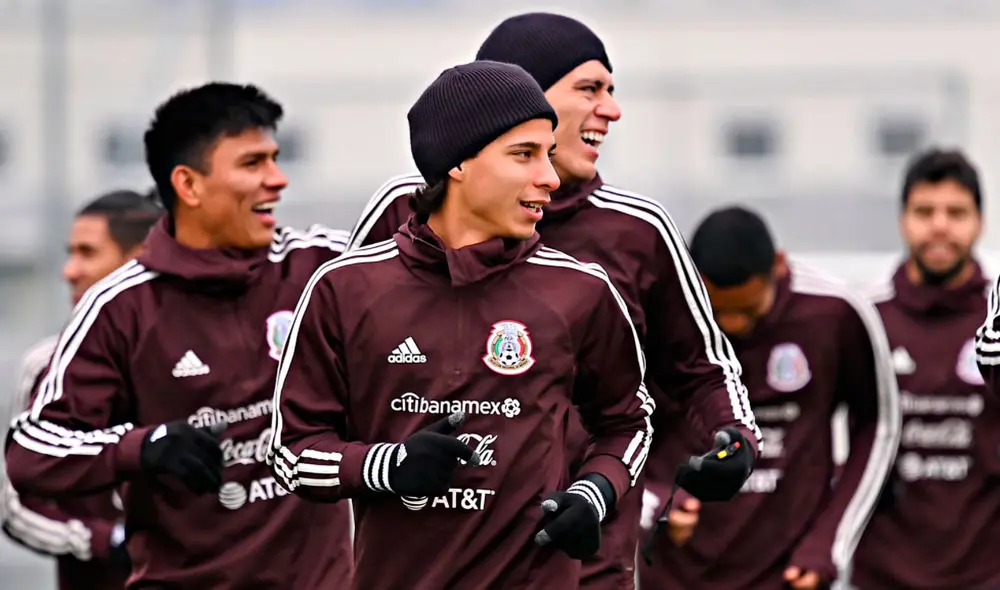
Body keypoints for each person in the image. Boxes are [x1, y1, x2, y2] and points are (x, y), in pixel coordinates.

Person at [344, 13, 760, 588]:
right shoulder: (404, 211)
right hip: (423, 563)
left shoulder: (637, 230)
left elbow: (704, 369)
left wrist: (735, 437)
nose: (611, 110)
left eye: (612, 91)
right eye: (590, 88)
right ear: (524, 97)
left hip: (582, 561)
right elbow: (322, 373)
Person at [268, 60, 654, 590]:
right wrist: (386, 465)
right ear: (458, 163)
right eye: (524, 154)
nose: (549, 176)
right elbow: (290, 452)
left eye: (549, 154)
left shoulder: (581, 290)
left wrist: (595, 491)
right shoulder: (346, 289)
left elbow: (629, 421)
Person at [4, 82, 354, 588]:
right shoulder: (120, 307)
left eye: (275, 159)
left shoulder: (321, 268)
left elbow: (423, 260)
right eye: (252, 164)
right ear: (188, 185)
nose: (277, 180)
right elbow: (32, 455)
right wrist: (142, 449)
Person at [638, 206, 900, 590]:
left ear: (778, 265)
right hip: (676, 576)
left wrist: (828, 542)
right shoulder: (656, 322)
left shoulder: (834, 313)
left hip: (786, 575)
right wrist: (656, 499)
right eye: (717, 312)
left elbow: (878, 424)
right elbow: (615, 429)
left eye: (747, 310)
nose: (732, 325)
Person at [1, 188, 163, 590]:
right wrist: (107, 540)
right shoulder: (47, 366)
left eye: (87, 253)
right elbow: (14, 502)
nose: (69, 271)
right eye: (70, 252)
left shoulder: (207, 359)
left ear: (139, 258)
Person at [859, 148, 999, 588]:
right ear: (903, 220)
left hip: (985, 573)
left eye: (956, 212)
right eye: (925, 211)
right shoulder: (865, 318)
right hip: (882, 574)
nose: (939, 225)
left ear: (980, 221)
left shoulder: (995, 323)